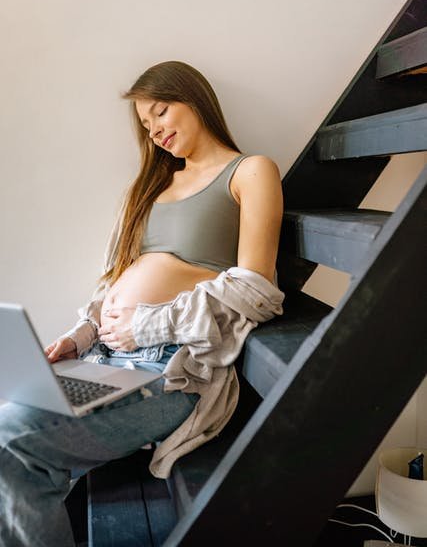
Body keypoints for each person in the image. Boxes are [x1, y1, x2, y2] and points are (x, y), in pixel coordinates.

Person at [0, 61, 284, 547]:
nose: (154, 131)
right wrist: (80, 336)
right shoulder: (149, 189)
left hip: (168, 369)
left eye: (161, 111)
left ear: (194, 99)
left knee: (12, 442)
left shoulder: (250, 170)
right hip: (104, 361)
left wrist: (148, 327)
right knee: (11, 432)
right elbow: (111, 286)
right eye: (146, 125)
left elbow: (255, 291)